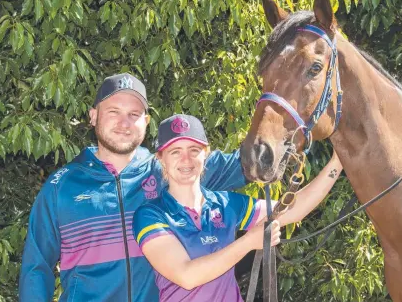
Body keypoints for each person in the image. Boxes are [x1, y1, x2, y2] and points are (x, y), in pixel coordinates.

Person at [19, 74, 248, 302]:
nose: (124, 123)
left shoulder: (172, 170)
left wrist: (279, 116)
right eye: (113, 112)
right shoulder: (62, 186)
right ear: (93, 116)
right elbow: (36, 268)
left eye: (134, 114)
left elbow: (251, 162)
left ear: (146, 122)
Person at [133, 114, 343, 302]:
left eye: (194, 150)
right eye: (175, 152)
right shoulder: (151, 214)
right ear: (161, 158)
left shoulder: (225, 204)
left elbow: (293, 209)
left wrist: (337, 162)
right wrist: (249, 242)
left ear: (206, 154)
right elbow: (187, 276)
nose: (186, 160)